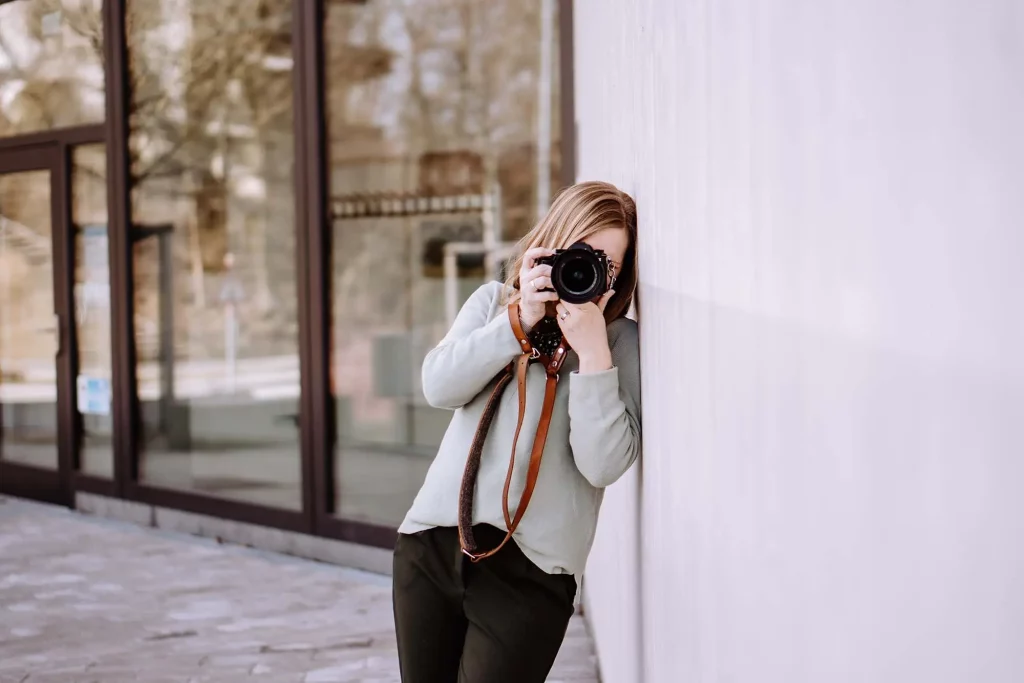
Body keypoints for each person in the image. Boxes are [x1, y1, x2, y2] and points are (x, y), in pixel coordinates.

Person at [393, 181, 641, 683]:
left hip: (533, 573)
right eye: (581, 252)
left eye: (606, 264)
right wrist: (520, 320)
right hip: (434, 545)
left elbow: (602, 464)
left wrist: (592, 354)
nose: (588, 271)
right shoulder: (493, 305)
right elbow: (439, 386)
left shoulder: (618, 343)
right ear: (552, 245)